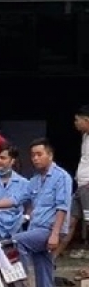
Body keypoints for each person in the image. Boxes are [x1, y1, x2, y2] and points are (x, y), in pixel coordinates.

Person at [13, 138, 73, 287]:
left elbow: (62, 207)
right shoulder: (35, 180)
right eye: (33, 155)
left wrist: (55, 235)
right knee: (44, 271)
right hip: (36, 228)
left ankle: (22, 284)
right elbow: (17, 199)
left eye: (39, 154)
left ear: (50, 155)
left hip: (49, 229)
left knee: (16, 242)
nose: (35, 159)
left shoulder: (61, 177)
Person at [53, 105, 89, 259]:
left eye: (77, 120)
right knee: (70, 222)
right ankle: (53, 258)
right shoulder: (85, 136)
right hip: (81, 186)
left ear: (86, 120)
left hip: (87, 186)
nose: (75, 123)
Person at [0, 141, 31, 241]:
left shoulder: (24, 183)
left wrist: (26, 217)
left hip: (15, 231)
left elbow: (32, 204)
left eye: (3, 158)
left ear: (12, 161)